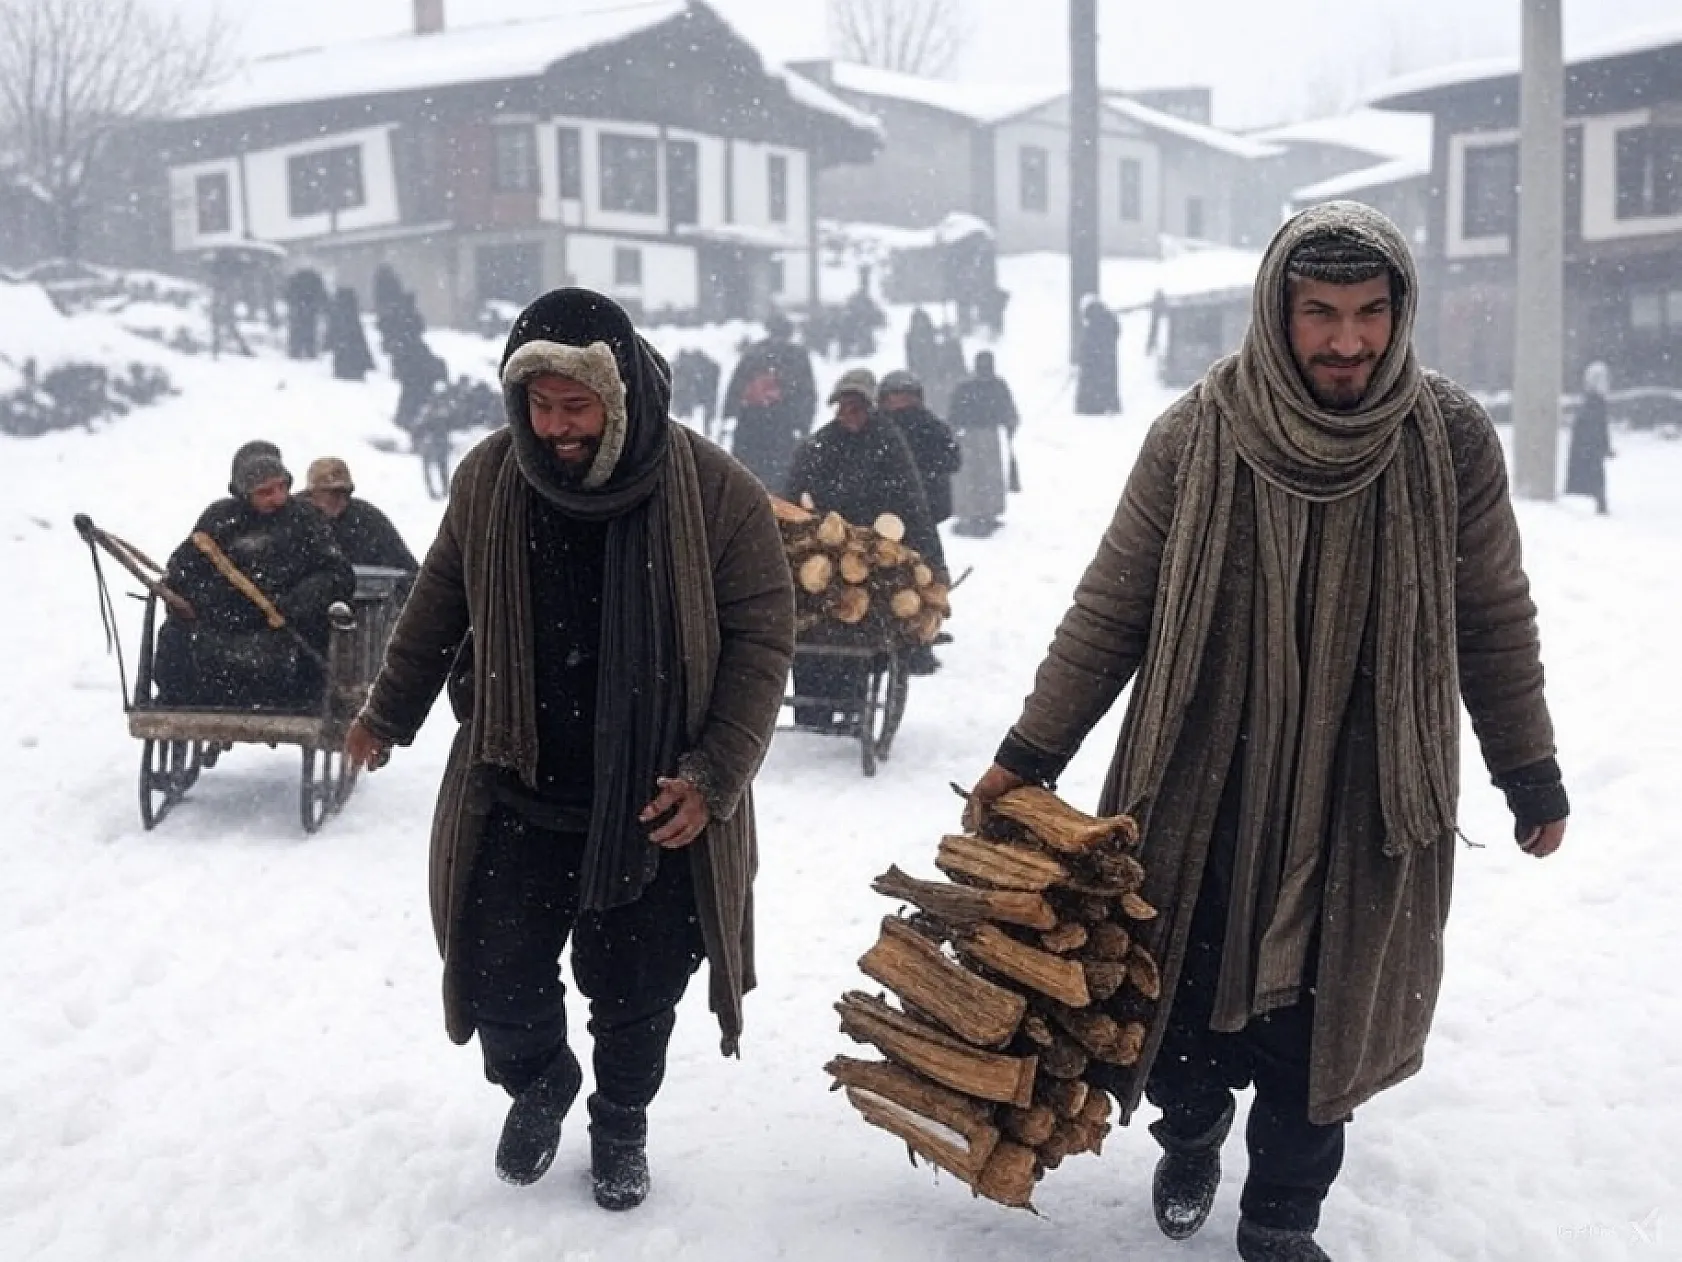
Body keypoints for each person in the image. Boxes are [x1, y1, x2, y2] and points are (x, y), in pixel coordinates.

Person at [964, 202, 1569, 1262]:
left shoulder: (1451, 440)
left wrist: (1527, 768)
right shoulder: (1194, 434)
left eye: (1370, 312)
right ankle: (1190, 1132)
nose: (1347, 341)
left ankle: (1282, 1212)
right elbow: (1112, 609)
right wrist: (1026, 757)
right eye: (1319, 313)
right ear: (1274, 310)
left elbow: (1490, 614)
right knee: (1180, 1011)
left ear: (1399, 311)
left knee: (1325, 1015)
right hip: (1206, 777)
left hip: (1369, 784)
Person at [341, 288, 795, 1212]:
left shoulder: (714, 493)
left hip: (653, 799)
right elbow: (439, 607)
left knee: (637, 991)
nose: (555, 430)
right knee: (492, 969)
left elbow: (764, 639)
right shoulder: (488, 479)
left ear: (620, 394)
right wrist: (387, 711)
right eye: (539, 407)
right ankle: (541, 1079)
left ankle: (621, 1121)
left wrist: (715, 776)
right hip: (518, 781)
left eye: (575, 407)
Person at [785, 368, 947, 713]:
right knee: (813, 624)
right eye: (844, 407)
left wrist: (933, 566)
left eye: (857, 407)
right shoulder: (818, 445)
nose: (849, 415)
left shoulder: (888, 444)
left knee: (860, 621)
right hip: (822, 551)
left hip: (874, 555)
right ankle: (814, 708)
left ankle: (851, 704)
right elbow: (791, 497)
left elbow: (913, 505)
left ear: (870, 408)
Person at [154, 441, 355, 710]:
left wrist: (293, 603)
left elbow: (338, 575)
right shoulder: (219, 520)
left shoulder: (305, 520)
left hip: (288, 642)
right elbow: (181, 575)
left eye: (282, 486)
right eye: (265, 492)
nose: (278, 498)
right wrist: (216, 604)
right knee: (176, 636)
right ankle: (178, 696)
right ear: (243, 493)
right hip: (219, 643)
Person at [720, 312, 816, 489]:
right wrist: (802, 425)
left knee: (748, 479)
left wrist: (728, 417)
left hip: (750, 425)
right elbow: (807, 394)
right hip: (783, 426)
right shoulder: (797, 356)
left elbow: (735, 388)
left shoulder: (754, 353)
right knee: (780, 479)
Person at [300, 457, 418, 576]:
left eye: (345, 493)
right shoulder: (294, 518)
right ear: (313, 493)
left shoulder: (366, 519)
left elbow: (408, 569)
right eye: (332, 494)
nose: (340, 501)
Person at [948, 350, 1019, 537]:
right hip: (984, 435)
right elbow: (1009, 410)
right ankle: (983, 514)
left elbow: (953, 414)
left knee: (977, 477)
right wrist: (1011, 424)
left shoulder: (966, 387)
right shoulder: (996, 386)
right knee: (985, 477)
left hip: (975, 435)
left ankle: (978, 514)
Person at [877, 370, 961, 527]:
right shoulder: (877, 427)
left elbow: (952, 460)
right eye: (895, 395)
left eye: (906, 395)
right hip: (886, 510)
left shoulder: (931, 426)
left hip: (924, 508)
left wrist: (924, 468)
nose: (901, 400)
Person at [1566, 360, 1613, 514]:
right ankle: (1600, 503)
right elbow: (1598, 428)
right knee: (1596, 476)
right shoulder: (1595, 403)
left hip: (1589, 448)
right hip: (1590, 448)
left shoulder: (1592, 403)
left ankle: (1599, 502)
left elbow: (1599, 428)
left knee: (1595, 476)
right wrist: (1602, 446)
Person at [1075, 294, 1122, 416]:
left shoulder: (1093, 326)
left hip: (1094, 364)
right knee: (1106, 382)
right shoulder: (1107, 322)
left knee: (1093, 384)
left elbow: (1086, 347)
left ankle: (1091, 406)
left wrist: (1082, 358)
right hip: (1106, 363)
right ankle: (1106, 404)